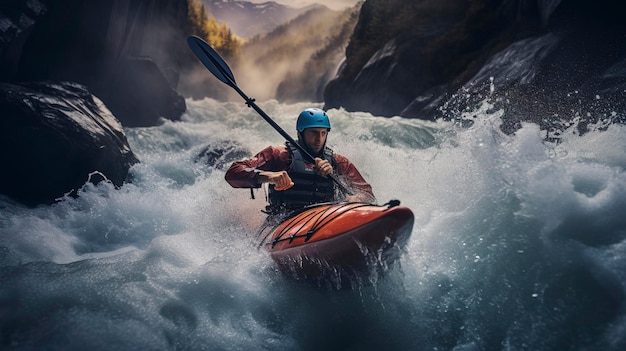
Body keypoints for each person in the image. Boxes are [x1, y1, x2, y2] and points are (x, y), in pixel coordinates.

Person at [225, 108, 375, 215]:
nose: (319, 139)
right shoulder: (278, 155)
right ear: (300, 133)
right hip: (284, 221)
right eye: (314, 133)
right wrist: (267, 176)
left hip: (326, 219)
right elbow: (233, 172)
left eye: (323, 133)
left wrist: (357, 198)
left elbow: (368, 195)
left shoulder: (338, 162)